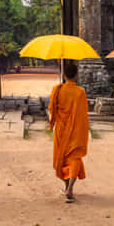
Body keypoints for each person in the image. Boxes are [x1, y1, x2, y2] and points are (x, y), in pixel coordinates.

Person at [48, 61, 89, 203]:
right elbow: (84, 113)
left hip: (61, 129)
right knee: (74, 157)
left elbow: (51, 109)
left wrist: (52, 122)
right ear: (76, 75)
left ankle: (67, 187)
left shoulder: (57, 90)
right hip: (76, 129)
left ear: (64, 74)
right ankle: (70, 187)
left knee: (63, 157)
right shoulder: (80, 92)